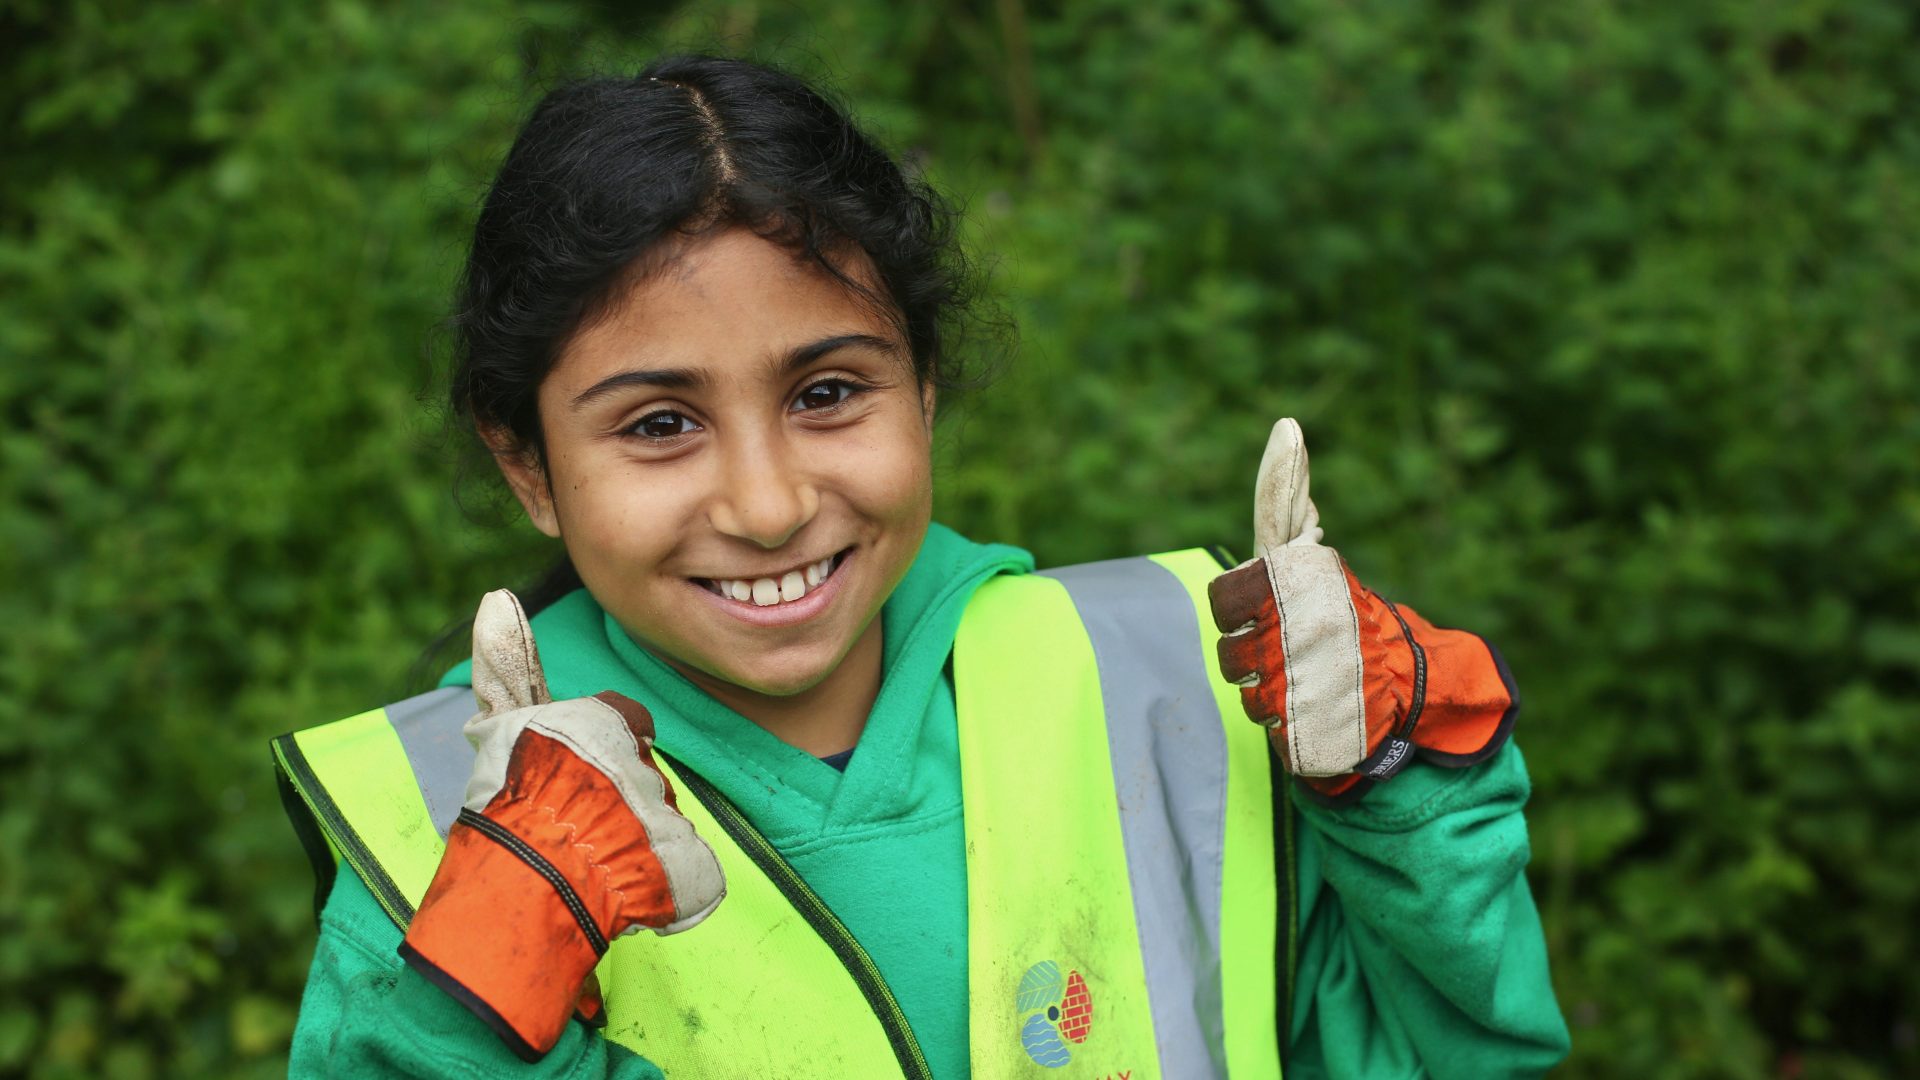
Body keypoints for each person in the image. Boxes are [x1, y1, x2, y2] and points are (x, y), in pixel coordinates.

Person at [274, 55, 1572, 1078]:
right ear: (529, 469)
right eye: (659, 424)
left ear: (928, 390)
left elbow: (1440, 1049)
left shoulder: (1189, 682)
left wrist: (1403, 789)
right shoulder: (454, 828)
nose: (773, 504)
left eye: (829, 391)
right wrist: (463, 1007)